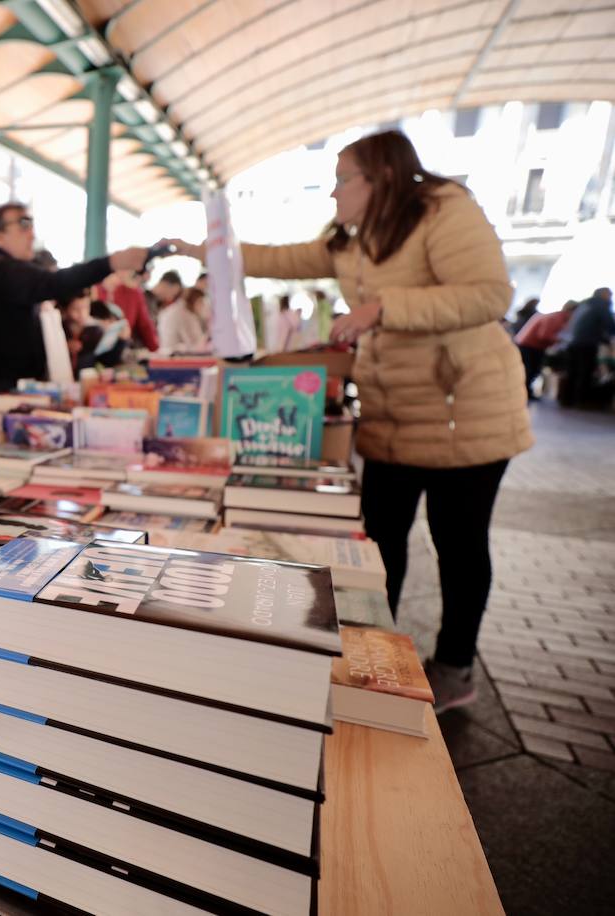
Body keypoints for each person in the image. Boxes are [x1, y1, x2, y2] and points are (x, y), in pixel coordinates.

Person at [162, 129, 533, 712]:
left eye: (341, 180)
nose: (333, 194)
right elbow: (280, 259)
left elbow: (490, 294)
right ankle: (370, 651)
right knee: (379, 540)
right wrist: (202, 249)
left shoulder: (444, 212)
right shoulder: (350, 239)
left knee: (458, 542)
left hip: (468, 410)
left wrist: (384, 307)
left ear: (380, 177)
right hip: (391, 413)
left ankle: (456, 667)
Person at [0, 202, 148, 404]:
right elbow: (56, 282)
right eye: (23, 225)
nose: (31, 234)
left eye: (31, 225)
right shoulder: (1, 269)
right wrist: (111, 263)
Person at [557, 288, 615, 408]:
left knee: (572, 371)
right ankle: (580, 401)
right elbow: (609, 324)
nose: (611, 298)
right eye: (610, 295)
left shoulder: (584, 304)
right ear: (603, 295)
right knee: (585, 372)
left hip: (572, 342)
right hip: (586, 343)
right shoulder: (601, 304)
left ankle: (566, 400)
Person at [514, 301, 577, 400]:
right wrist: (560, 340)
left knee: (532, 370)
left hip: (531, 345)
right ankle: (522, 393)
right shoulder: (556, 318)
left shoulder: (557, 317)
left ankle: (525, 392)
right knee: (530, 370)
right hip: (530, 345)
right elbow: (543, 335)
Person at [95, 269, 159, 352]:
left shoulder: (134, 293)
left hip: (120, 349)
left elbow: (145, 325)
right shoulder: (95, 289)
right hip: (95, 349)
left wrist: (156, 350)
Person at [157, 287, 210, 356]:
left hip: (166, 351)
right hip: (174, 355)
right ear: (194, 301)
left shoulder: (174, 309)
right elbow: (196, 343)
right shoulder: (185, 314)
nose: (203, 306)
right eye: (201, 302)